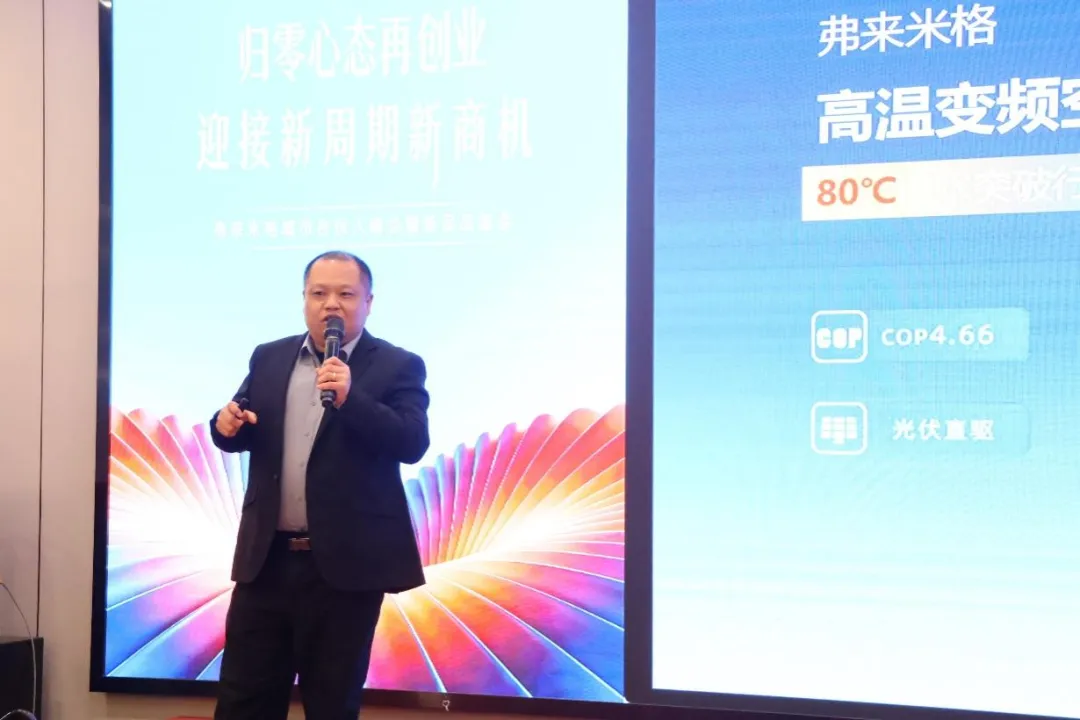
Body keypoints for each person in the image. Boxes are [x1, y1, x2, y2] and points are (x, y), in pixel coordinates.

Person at [209, 251, 429, 720]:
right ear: (304, 299)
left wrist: (351, 398)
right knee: (243, 701)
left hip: (344, 572)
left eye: (345, 294)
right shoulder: (269, 357)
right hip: (266, 563)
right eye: (319, 293)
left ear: (368, 302)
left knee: (331, 705)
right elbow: (243, 423)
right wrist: (225, 425)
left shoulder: (398, 365)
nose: (332, 304)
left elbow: (411, 442)